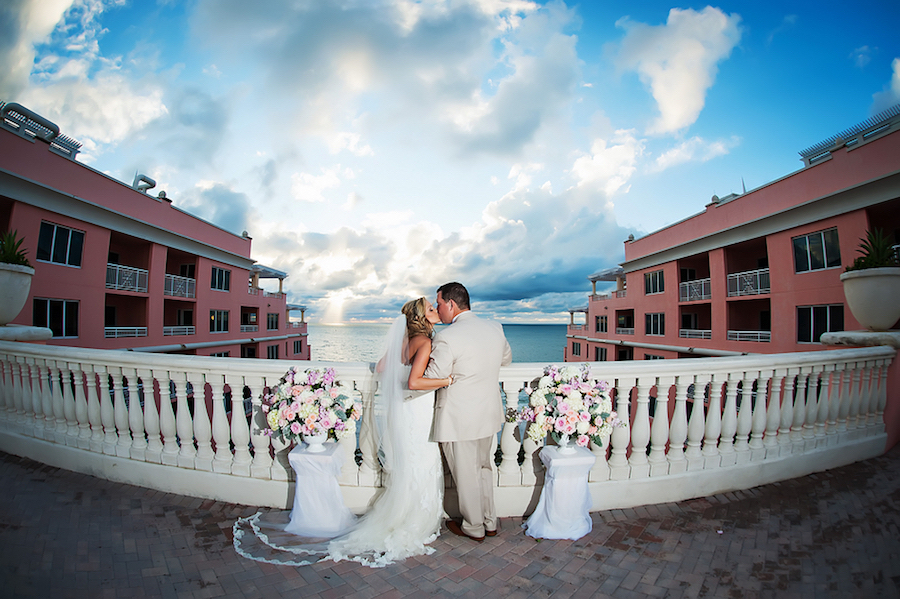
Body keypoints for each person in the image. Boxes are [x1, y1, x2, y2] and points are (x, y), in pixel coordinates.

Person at [232, 298, 451, 567]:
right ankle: (416, 517)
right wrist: (447, 380)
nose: (436, 312)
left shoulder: (404, 342)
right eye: (431, 309)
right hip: (416, 409)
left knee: (410, 462)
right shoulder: (425, 342)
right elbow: (415, 381)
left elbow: (382, 368)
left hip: (404, 413)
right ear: (422, 317)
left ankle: (404, 512)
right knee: (422, 459)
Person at [426, 282, 512, 541]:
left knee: (466, 474)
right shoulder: (494, 328)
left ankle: (474, 527)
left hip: (459, 417)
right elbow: (506, 359)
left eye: (439, 303)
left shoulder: (447, 336)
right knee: (484, 468)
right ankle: (490, 521)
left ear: (451, 304)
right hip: (488, 413)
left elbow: (434, 375)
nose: (439, 309)